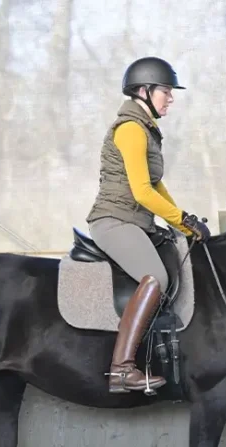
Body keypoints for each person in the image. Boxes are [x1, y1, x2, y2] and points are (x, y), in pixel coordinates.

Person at [86, 56, 211, 394]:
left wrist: (185, 223)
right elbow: (141, 192)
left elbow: (155, 186)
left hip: (134, 219)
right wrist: (181, 219)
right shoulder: (130, 130)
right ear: (144, 91)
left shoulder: (146, 130)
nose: (170, 98)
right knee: (156, 277)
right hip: (114, 219)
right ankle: (121, 370)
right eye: (166, 91)